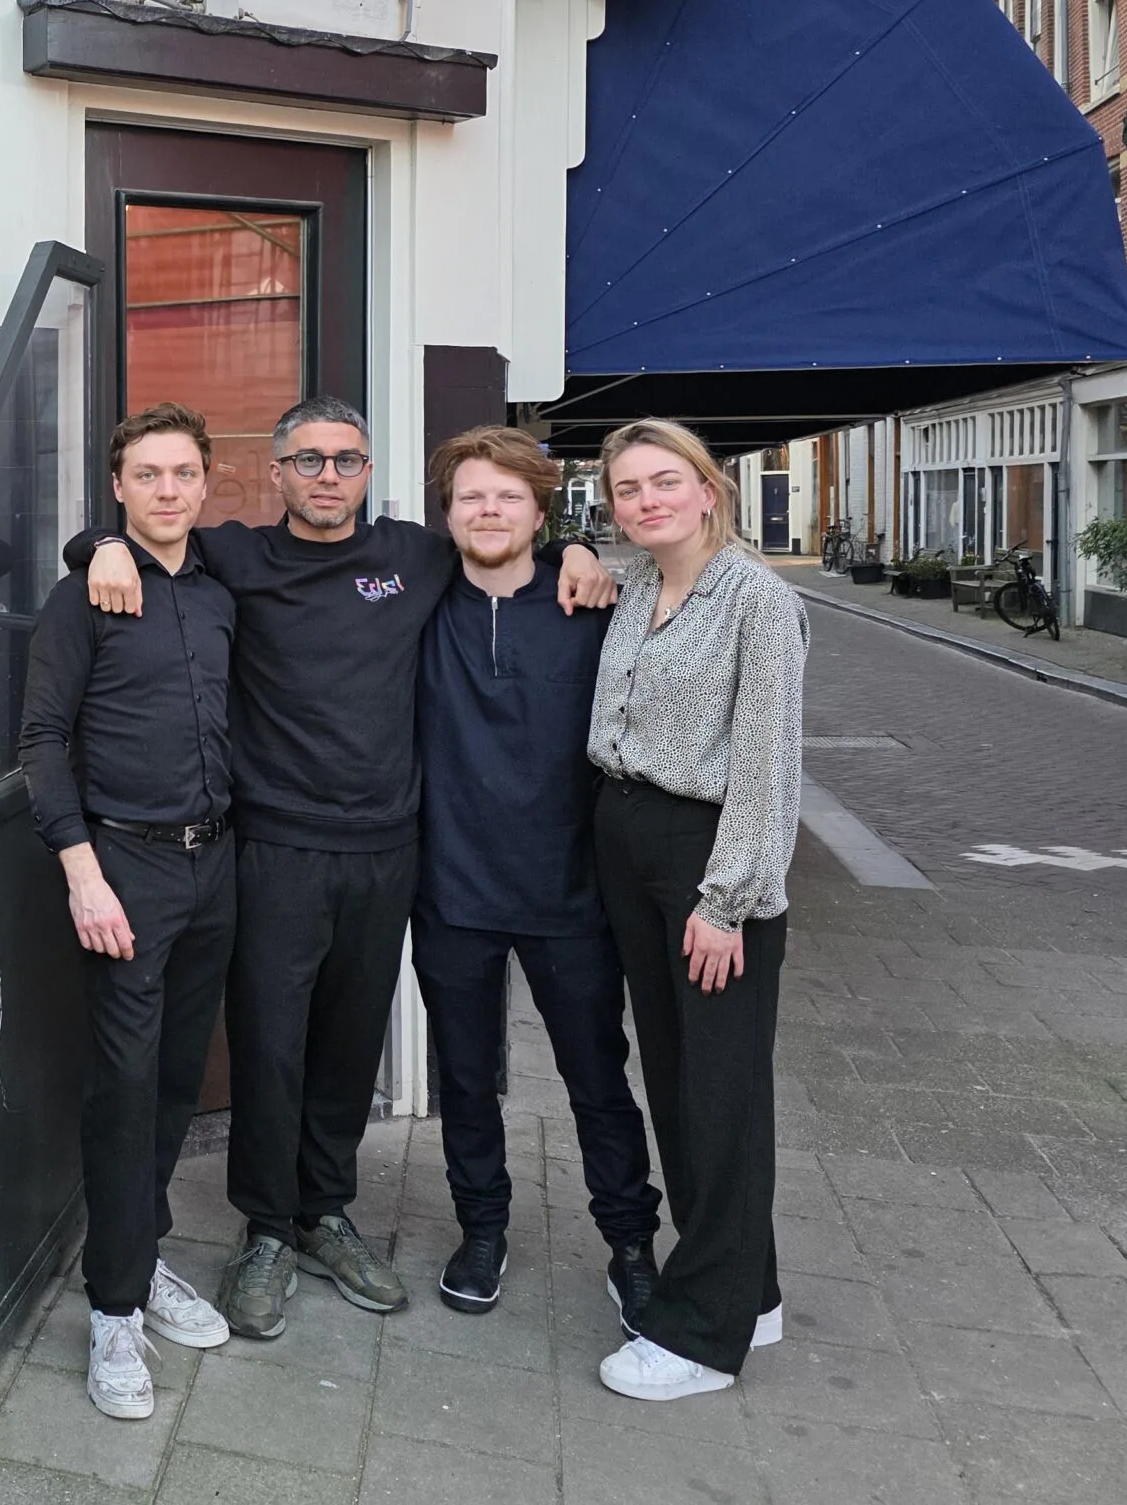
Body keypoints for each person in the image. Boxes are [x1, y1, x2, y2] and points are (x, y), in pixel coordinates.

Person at [74, 397, 614, 1339]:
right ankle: (265, 1229)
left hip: (388, 850)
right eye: (309, 460)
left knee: (349, 1046)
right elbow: (147, 534)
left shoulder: (415, 557)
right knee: (271, 1046)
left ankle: (323, 1212)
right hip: (275, 849)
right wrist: (98, 546)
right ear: (277, 471)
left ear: (369, 472)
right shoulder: (237, 556)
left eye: (347, 460)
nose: (329, 476)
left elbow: (503, 546)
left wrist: (578, 549)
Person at [411, 426, 660, 1324]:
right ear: (447, 513)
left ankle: (631, 1244)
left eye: (508, 496)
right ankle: (482, 1230)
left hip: (570, 894)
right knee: (465, 1079)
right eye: (472, 497)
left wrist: (579, 553)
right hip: (451, 890)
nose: (489, 511)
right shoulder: (417, 601)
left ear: (540, 510)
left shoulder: (595, 609)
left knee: (598, 1079)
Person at [20, 403, 237, 1421]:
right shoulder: (83, 599)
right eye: (146, 474)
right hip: (124, 871)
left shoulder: (222, 586)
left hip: (215, 866)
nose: (167, 490)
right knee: (123, 1088)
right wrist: (83, 873)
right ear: (117, 487)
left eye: (183, 472)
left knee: (175, 1084)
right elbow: (40, 741)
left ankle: (140, 1258)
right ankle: (113, 1311)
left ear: (206, 482)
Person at [587, 419, 807, 1402]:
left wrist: (727, 901)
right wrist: (573, 559)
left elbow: (766, 762)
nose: (647, 501)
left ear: (708, 490)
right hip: (626, 837)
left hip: (707, 859)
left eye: (664, 482)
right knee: (678, 1081)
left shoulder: (758, 600)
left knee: (721, 1091)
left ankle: (704, 1334)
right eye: (628, 489)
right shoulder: (636, 583)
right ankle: (748, 1291)